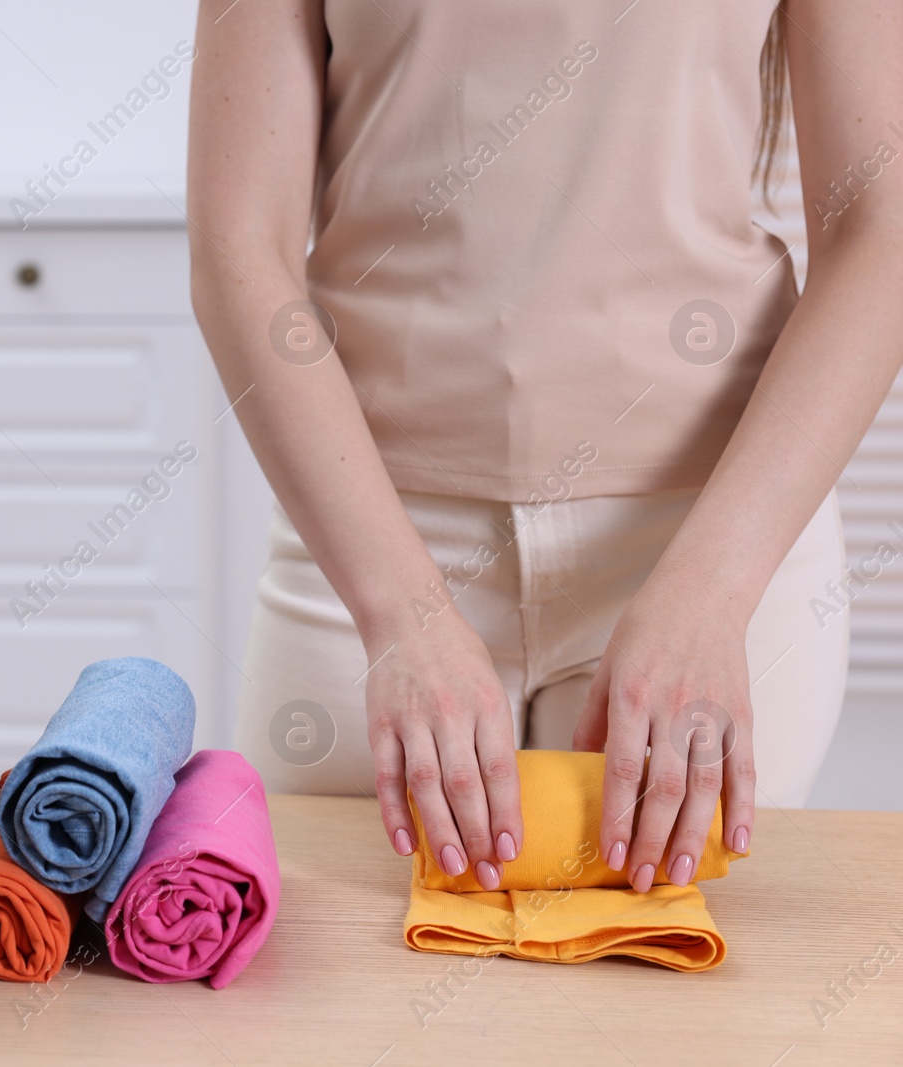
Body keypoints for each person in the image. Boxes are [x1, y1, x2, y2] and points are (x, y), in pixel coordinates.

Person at [188, 0, 900, 893]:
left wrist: (709, 598)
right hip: (373, 549)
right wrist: (400, 613)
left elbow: (883, 225)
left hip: (708, 543)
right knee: (334, 997)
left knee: (679, 1015)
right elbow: (237, 244)